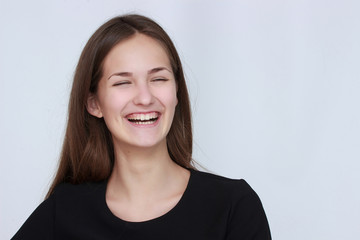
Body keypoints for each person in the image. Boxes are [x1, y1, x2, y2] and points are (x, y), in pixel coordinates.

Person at [12, 14, 271, 239]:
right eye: (123, 83)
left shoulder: (232, 207)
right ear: (94, 103)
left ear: (176, 91)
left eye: (158, 78)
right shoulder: (64, 212)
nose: (145, 98)